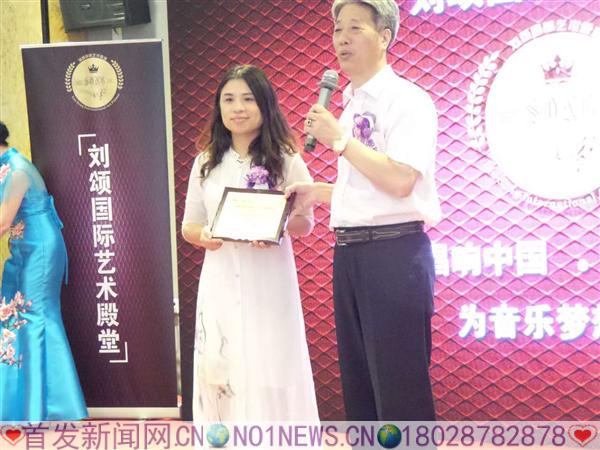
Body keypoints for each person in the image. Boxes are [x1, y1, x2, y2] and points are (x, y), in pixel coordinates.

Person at [286, 0, 441, 421]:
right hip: (350, 255)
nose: (342, 39)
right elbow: (370, 191)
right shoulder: (351, 103)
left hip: (393, 256)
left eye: (356, 28)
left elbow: (401, 180)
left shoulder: (406, 100)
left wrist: (340, 141)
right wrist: (317, 192)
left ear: (384, 37)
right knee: (361, 390)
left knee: (399, 392)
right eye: (338, 29)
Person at [182, 65, 319, 422]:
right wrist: (204, 236)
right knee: (220, 368)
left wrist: (278, 227)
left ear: (265, 105)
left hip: (268, 280)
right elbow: (189, 226)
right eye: (228, 100)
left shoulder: (287, 159)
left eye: (247, 99)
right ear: (219, 107)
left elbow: (306, 222)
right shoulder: (205, 162)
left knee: (271, 366)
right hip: (221, 279)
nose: (238, 108)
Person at [0, 121, 87, 421]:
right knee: (12, 316)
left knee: (34, 316)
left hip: (40, 250)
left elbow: (2, 222)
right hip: (21, 249)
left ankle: (39, 409)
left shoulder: (17, 169)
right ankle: (18, 405)